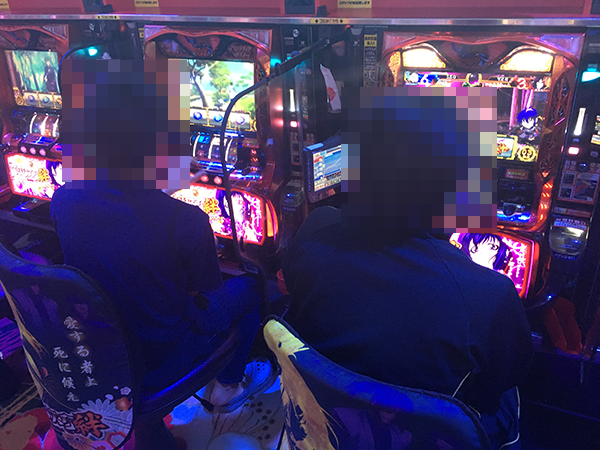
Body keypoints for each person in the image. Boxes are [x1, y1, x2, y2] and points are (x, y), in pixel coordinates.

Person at [280, 86, 533, 450]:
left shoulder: (314, 232)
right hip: (419, 440)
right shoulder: (488, 295)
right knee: (510, 401)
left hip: (326, 425)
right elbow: (501, 381)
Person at [50, 59, 275, 423]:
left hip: (102, 342)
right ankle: (227, 387)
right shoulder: (186, 220)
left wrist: (159, 192)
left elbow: (123, 220)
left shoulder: (64, 199)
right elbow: (203, 291)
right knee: (251, 285)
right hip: (163, 354)